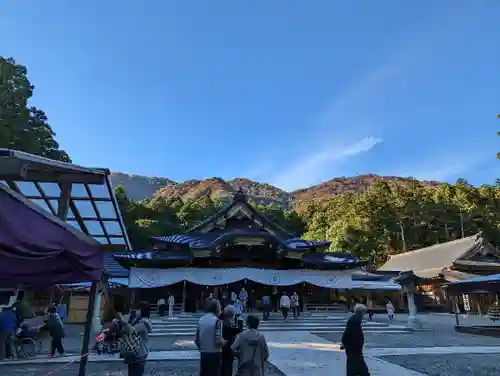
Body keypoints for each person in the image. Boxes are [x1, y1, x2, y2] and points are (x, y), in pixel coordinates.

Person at [117, 302, 153, 376]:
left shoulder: (143, 323)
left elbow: (130, 330)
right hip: (135, 353)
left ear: (141, 310)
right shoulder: (137, 320)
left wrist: (122, 319)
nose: (136, 312)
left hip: (139, 354)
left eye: (137, 310)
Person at [195, 299, 226, 376]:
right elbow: (218, 340)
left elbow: (197, 340)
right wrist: (225, 342)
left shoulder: (201, 320)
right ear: (217, 309)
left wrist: (202, 348)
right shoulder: (217, 321)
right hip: (215, 353)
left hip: (204, 353)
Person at [341, 304, 370, 376]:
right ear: (360, 313)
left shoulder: (355, 320)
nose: (364, 315)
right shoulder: (354, 321)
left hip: (355, 350)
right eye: (364, 313)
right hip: (354, 350)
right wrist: (345, 344)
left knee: (355, 369)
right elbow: (347, 334)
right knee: (359, 370)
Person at [220, 305, 242, 376]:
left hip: (221, 347)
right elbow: (234, 331)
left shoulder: (221, 320)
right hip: (228, 347)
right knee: (227, 367)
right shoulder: (228, 323)